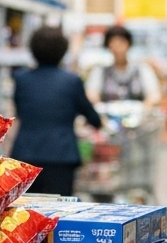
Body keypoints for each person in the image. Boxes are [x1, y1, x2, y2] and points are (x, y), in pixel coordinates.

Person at [11, 26, 102, 196]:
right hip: (62, 155)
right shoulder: (72, 81)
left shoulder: (21, 79)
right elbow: (91, 115)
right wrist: (97, 122)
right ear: (63, 50)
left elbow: (20, 111)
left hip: (26, 154)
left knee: (27, 211)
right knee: (60, 211)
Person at [85, 25, 162, 105]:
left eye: (121, 43)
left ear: (129, 44)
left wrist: (146, 106)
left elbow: (154, 95)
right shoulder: (100, 70)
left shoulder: (142, 69)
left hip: (138, 115)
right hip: (108, 115)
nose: (117, 48)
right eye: (113, 43)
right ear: (108, 46)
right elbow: (91, 94)